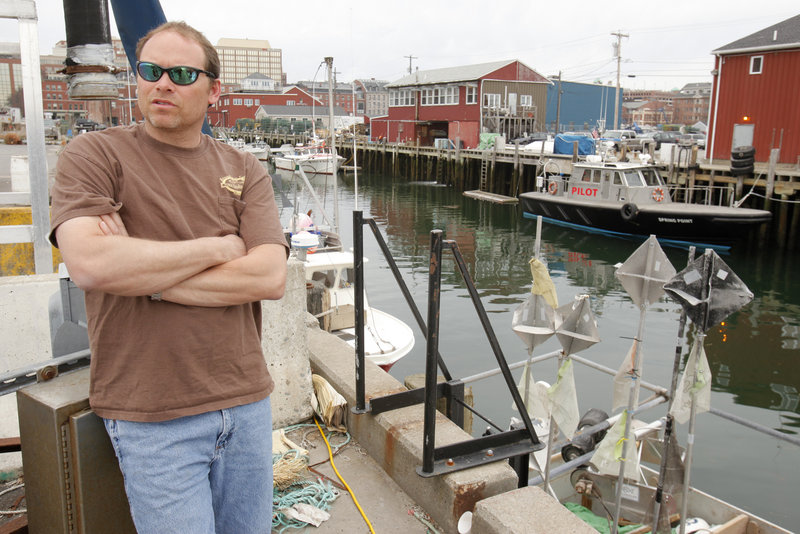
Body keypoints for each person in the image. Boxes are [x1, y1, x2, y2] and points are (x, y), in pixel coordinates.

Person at [49, 21, 288, 534]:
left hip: (245, 402)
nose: (163, 84)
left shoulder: (245, 167)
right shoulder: (94, 156)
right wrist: (220, 248)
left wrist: (145, 276)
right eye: (151, 71)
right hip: (150, 413)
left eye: (181, 73)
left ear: (213, 89)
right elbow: (90, 265)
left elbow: (268, 275)